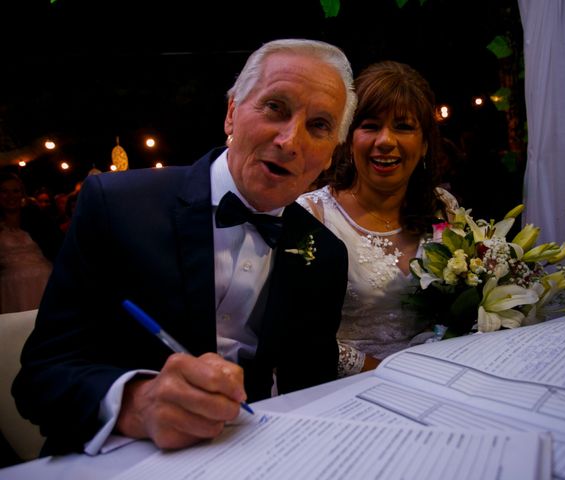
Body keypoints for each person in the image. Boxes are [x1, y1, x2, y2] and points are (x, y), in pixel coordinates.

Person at [12, 38, 357, 456]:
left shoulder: (325, 253)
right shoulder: (115, 206)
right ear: (231, 114)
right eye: (275, 108)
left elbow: (310, 388)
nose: (290, 140)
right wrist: (139, 403)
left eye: (319, 125)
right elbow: (40, 379)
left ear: (330, 155)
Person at [298, 60, 457, 377]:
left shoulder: (443, 209)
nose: (385, 140)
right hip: (347, 388)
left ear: (424, 144)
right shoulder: (311, 217)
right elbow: (301, 331)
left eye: (403, 126)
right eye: (370, 125)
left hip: (439, 376)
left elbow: (458, 301)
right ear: (348, 138)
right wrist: (389, 373)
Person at [0, 172, 63, 313]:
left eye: (15, 191)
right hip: (11, 288)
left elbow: (57, 247)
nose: (10, 196)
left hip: (43, 279)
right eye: (4, 191)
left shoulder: (38, 219)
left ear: (22, 194)